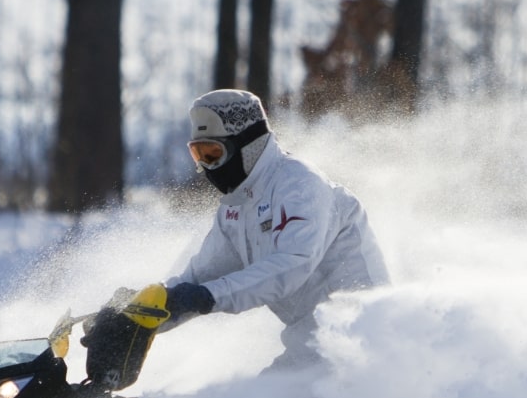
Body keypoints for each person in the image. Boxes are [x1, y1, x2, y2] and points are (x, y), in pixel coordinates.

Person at [141, 88, 388, 371]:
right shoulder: (236, 209)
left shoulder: (298, 184)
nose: (207, 167)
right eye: (200, 155)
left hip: (360, 345)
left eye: (214, 154)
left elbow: (291, 265)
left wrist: (208, 297)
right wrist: (138, 317)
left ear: (247, 145)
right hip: (311, 346)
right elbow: (195, 281)